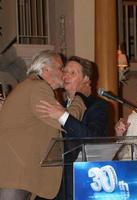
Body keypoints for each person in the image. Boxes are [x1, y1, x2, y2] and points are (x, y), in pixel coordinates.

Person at [0, 50, 87, 200]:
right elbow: (64, 120)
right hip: (13, 175)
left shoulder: (28, 86)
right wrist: (80, 96)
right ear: (46, 69)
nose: (64, 74)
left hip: (9, 173)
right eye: (61, 68)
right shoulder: (38, 87)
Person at [36, 56, 109, 199]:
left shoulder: (98, 106)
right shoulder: (58, 105)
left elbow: (92, 137)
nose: (66, 76)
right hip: (54, 183)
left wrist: (63, 116)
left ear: (86, 79)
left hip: (83, 180)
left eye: (73, 73)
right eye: (65, 71)